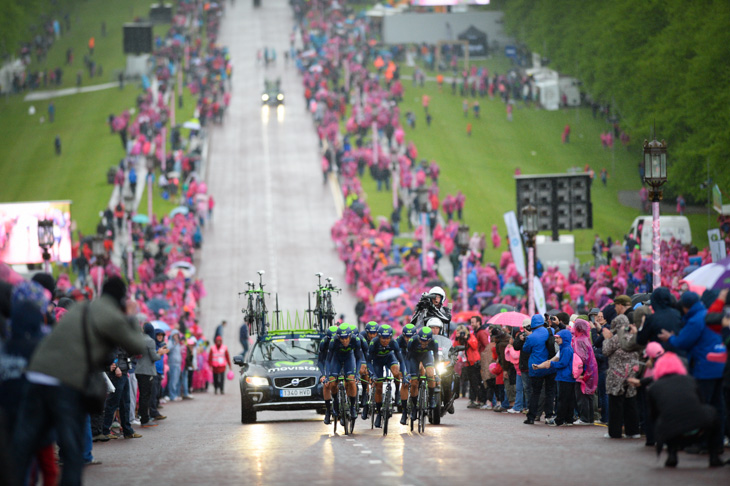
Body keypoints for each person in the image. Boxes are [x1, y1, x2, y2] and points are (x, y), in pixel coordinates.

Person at [13, 277, 147, 484]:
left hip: (36, 374)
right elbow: (137, 346)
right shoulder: (112, 316)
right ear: (121, 297)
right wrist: (130, 316)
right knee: (72, 447)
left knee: (26, 442)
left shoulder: (82, 308)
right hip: (64, 382)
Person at [658, 291, 726, 452]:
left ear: (685, 307)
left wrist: (670, 338)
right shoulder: (709, 314)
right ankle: (717, 443)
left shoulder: (695, 320)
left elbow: (683, 342)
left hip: (704, 367)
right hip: (719, 365)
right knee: (719, 407)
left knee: (702, 406)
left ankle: (703, 443)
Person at [648, 352, 724, 468]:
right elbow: (701, 402)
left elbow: (654, 414)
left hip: (671, 431)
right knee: (713, 412)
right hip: (700, 427)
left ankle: (672, 453)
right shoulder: (690, 380)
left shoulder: (654, 387)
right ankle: (714, 455)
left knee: (663, 420)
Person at [602, 314, 641, 439]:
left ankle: (615, 432)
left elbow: (606, 351)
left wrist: (606, 339)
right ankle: (633, 431)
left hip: (616, 375)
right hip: (632, 374)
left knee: (615, 405)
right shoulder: (633, 337)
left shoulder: (615, 338)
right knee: (631, 403)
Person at [534, 329, 575, 426]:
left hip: (564, 377)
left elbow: (562, 363)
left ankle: (560, 420)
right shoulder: (566, 348)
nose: (556, 340)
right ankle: (568, 419)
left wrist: (551, 364)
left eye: (558, 338)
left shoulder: (565, 349)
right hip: (567, 377)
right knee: (568, 399)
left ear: (564, 338)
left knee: (562, 399)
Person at [367, 325, 404, 428]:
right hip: (377, 362)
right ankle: (379, 413)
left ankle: (397, 392)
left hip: (389, 359)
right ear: (379, 337)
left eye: (388, 338)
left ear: (391, 337)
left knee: (396, 372)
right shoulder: (373, 343)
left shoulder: (393, 343)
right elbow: (368, 361)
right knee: (378, 387)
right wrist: (373, 375)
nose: (385, 340)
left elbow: (401, 360)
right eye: (383, 338)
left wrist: (403, 375)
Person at [522, 315, 557, 425]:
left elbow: (525, 349)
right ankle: (549, 415)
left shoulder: (531, 337)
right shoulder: (550, 330)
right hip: (550, 365)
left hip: (536, 367)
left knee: (535, 393)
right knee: (550, 392)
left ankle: (531, 416)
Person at [325, 325, 361, 419]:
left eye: (346, 338)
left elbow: (359, 358)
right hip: (336, 359)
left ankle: (352, 406)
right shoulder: (333, 341)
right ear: (338, 337)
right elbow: (328, 360)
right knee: (332, 383)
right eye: (342, 338)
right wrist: (327, 376)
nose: (344, 341)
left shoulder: (356, 340)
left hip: (349, 358)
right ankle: (336, 402)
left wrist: (357, 374)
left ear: (350, 336)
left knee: (351, 381)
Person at [137, 322, 168, 427]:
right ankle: (145, 419)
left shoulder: (139, 339)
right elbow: (154, 357)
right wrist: (160, 353)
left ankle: (142, 416)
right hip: (147, 371)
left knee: (142, 395)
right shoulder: (150, 341)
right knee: (146, 395)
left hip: (138, 370)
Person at [405, 326, 439, 421]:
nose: (423, 344)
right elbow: (407, 358)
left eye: (426, 342)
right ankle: (414, 407)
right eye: (421, 341)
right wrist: (408, 373)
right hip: (413, 358)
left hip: (426, 356)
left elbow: (436, 360)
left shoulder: (434, 343)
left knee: (430, 373)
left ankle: (431, 398)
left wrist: (438, 374)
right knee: (414, 383)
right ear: (418, 338)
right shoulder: (412, 341)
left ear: (430, 340)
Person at [571, 319, 598, 425]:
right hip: (591, 371)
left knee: (581, 396)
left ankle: (584, 418)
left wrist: (582, 374)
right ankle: (590, 418)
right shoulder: (586, 339)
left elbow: (582, 358)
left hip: (583, 372)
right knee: (588, 395)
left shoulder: (579, 340)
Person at [318, 325, 339, 424]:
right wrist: (323, 374)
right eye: (330, 339)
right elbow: (320, 361)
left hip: (341, 362)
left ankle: (344, 406)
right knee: (327, 384)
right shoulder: (323, 343)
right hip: (329, 363)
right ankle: (328, 410)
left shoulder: (343, 341)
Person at [396, 324, 417, 424]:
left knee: (415, 381)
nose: (408, 339)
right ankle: (404, 411)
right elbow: (398, 358)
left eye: (410, 336)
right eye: (406, 337)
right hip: (404, 359)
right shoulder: (399, 341)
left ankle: (415, 406)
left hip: (415, 359)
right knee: (405, 382)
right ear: (403, 336)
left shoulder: (419, 340)